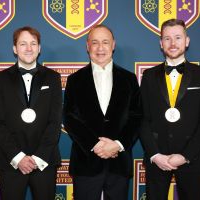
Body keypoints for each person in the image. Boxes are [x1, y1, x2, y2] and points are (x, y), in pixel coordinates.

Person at [139, 19, 200, 200]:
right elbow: (143, 119)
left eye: (177, 37)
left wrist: (185, 156)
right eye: (167, 38)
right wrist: (155, 155)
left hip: (192, 160)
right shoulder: (149, 76)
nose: (172, 43)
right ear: (161, 43)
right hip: (157, 160)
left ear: (187, 41)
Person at [63, 24, 141, 200]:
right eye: (95, 42)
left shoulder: (129, 79)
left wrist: (118, 144)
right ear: (87, 46)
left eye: (105, 42)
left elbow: (136, 117)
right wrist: (95, 144)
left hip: (119, 163)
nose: (100, 48)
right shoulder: (74, 80)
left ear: (113, 45)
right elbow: (69, 118)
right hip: (86, 163)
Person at [0, 26, 62, 200]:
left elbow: (55, 122)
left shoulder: (53, 78)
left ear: (39, 48)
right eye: (23, 44)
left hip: (44, 162)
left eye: (33, 43)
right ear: (15, 49)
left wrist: (38, 158)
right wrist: (19, 157)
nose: (28, 48)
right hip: (12, 162)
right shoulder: (0, 79)